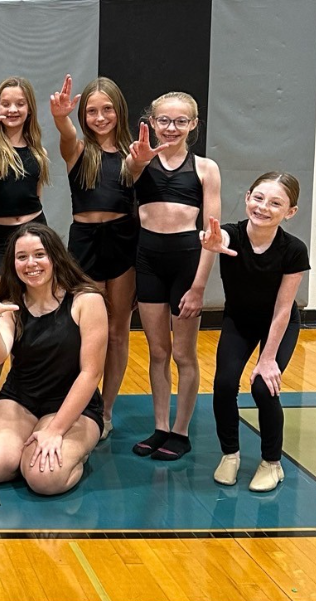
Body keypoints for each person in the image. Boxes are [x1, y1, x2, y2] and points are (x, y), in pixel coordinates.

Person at [0, 223, 106, 496]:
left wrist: (56, 430)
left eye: (39, 255)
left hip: (73, 406)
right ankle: (29, 442)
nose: (31, 263)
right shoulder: (11, 303)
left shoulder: (86, 300)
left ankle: (76, 452)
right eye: (22, 257)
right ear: (13, 264)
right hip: (21, 399)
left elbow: (91, 374)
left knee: (44, 478)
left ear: (55, 257)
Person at [127, 92, 222, 459]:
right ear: (152, 122)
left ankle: (180, 430)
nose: (171, 128)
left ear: (194, 124)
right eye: (164, 120)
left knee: (184, 353)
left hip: (186, 262)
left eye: (181, 121)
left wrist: (198, 287)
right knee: (157, 352)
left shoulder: (205, 168)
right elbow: (128, 188)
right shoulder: (139, 160)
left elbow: (211, 236)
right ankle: (160, 427)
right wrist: (137, 164)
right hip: (148, 261)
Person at [202, 173, 309, 492]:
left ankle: (271, 463)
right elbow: (214, 240)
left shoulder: (293, 250)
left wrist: (268, 358)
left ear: (290, 212)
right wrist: (211, 244)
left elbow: (282, 309)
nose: (264, 207)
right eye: (259, 198)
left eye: (276, 203)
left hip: (279, 323)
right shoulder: (231, 235)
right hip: (239, 320)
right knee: (223, 385)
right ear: (248, 196)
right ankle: (230, 455)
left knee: (264, 388)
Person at [49, 74, 139, 439]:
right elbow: (67, 134)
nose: (100, 117)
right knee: (85, 329)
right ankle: (81, 402)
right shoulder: (78, 150)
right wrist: (60, 117)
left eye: (107, 110)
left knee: (118, 331)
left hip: (123, 239)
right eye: (91, 111)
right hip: (85, 240)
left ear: (119, 111)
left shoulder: (134, 151)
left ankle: (106, 409)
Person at [0, 77, 51, 426]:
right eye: (6, 104)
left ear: (29, 107)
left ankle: (28, 389)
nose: (12, 110)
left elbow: (36, 195)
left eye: (19, 103)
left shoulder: (37, 148)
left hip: (33, 233)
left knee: (35, 315)